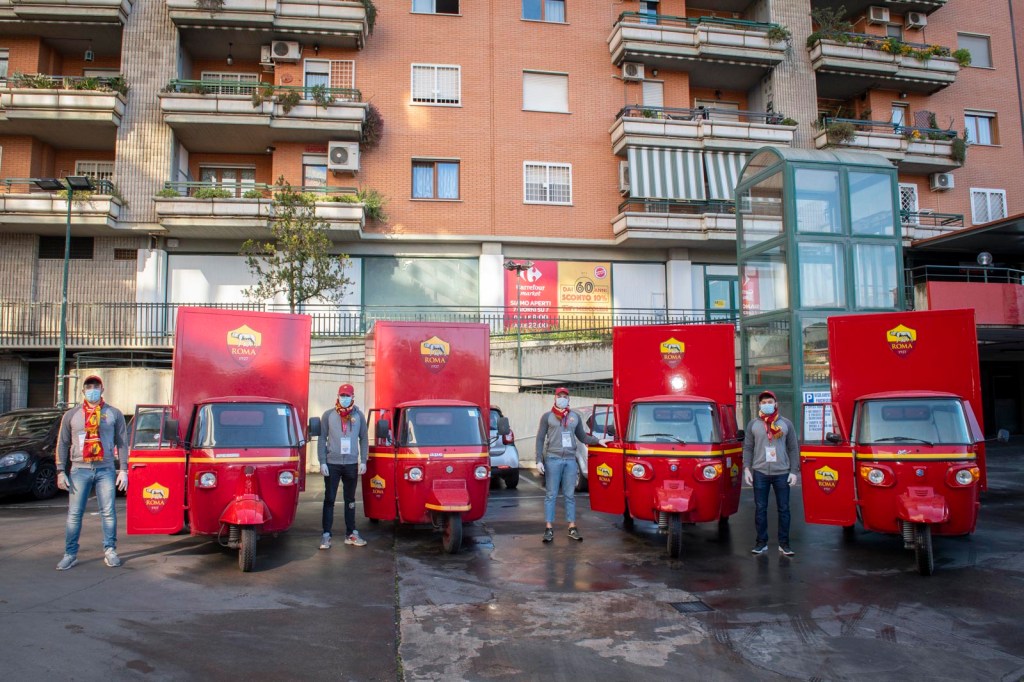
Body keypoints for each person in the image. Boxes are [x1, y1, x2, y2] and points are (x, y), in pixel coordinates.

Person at [55, 375, 129, 570]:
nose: (92, 390)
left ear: (102, 390)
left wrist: (123, 469)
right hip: (79, 469)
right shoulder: (72, 415)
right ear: (83, 392)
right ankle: (70, 554)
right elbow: (62, 443)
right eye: (89, 387)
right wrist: (60, 470)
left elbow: (122, 442)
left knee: (109, 512)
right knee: (74, 514)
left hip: (105, 468)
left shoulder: (114, 414)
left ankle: (110, 550)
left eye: (96, 386)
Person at [535, 387, 609, 543]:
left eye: (565, 396)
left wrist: (597, 440)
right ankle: (548, 528)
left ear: (569, 400)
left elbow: (582, 436)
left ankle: (572, 527)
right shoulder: (547, 417)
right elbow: (540, 438)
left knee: (570, 495)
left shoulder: (574, 417)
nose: (562, 398)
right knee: (551, 495)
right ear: (555, 398)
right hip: (553, 459)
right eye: (559, 396)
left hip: (570, 460)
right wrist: (538, 460)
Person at [743, 390, 800, 557]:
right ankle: (761, 543)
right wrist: (747, 468)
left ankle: (784, 544)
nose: (766, 405)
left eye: (769, 402)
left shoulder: (786, 424)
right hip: (760, 472)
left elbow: (793, 448)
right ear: (759, 405)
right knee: (760, 508)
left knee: (784, 509)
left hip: (782, 473)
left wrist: (794, 472)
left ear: (776, 404)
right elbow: (748, 447)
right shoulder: (753, 424)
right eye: (763, 402)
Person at [318, 383, 368, 549]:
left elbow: (364, 439)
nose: (344, 399)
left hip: (351, 464)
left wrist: (363, 461)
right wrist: (322, 461)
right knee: (329, 499)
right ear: (338, 396)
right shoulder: (328, 416)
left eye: (347, 396)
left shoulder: (359, 416)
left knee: (350, 500)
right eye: (342, 395)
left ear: (353, 397)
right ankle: (326, 534)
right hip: (332, 464)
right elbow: (321, 438)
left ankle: (351, 533)